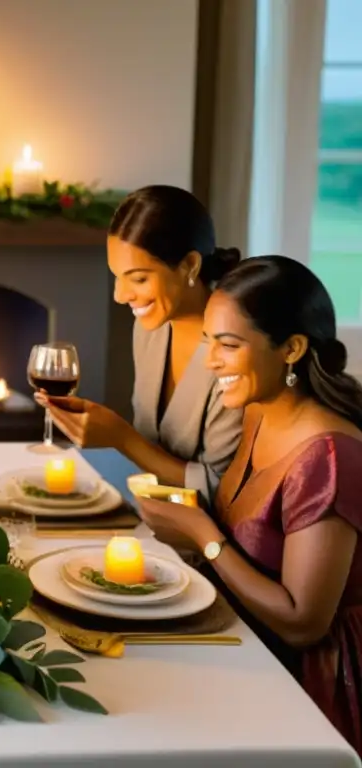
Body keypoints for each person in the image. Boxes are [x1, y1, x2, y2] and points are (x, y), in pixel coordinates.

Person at [138, 256, 362, 755]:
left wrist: (203, 537)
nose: (211, 362)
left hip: (312, 683)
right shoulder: (258, 412)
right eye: (207, 343)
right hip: (247, 638)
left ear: (292, 349)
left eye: (229, 345)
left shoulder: (328, 454)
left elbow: (304, 622)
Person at [38, 185, 244, 503]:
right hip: (150, 512)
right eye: (117, 277)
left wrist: (122, 438)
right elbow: (148, 450)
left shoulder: (236, 346)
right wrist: (104, 431)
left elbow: (223, 491)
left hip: (203, 537)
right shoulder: (151, 329)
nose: (120, 296)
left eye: (138, 279)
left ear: (190, 264)